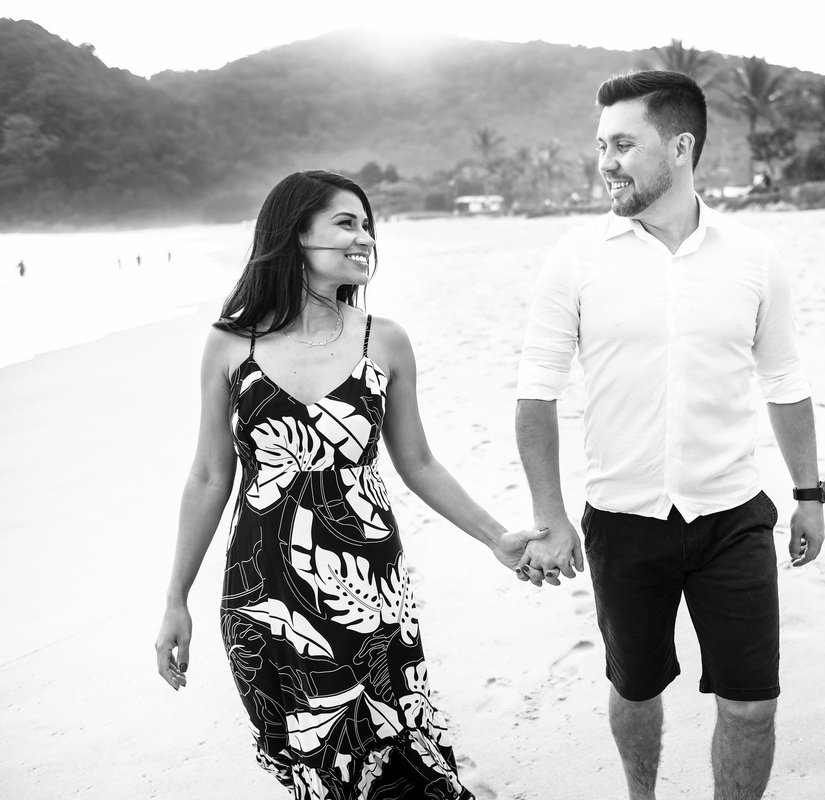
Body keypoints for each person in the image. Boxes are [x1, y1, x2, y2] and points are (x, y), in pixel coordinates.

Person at [154, 169, 544, 799]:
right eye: (346, 223)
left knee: (401, 751)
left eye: (368, 226)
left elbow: (417, 462)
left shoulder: (382, 340)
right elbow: (208, 476)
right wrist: (176, 597)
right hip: (264, 595)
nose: (364, 239)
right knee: (311, 764)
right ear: (294, 234)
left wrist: (495, 537)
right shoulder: (229, 344)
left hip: (371, 588)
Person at [514, 71, 825, 800]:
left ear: (681, 147)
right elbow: (536, 391)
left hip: (731, 517)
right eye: (601, 145)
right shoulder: (576, 257)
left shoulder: (753, 256)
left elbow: (784, 379)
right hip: (623, 522)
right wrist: (551, 516)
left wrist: (810, 494)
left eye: (624, 144)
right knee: (635, 690)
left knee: (753, 705)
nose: (606, 162)